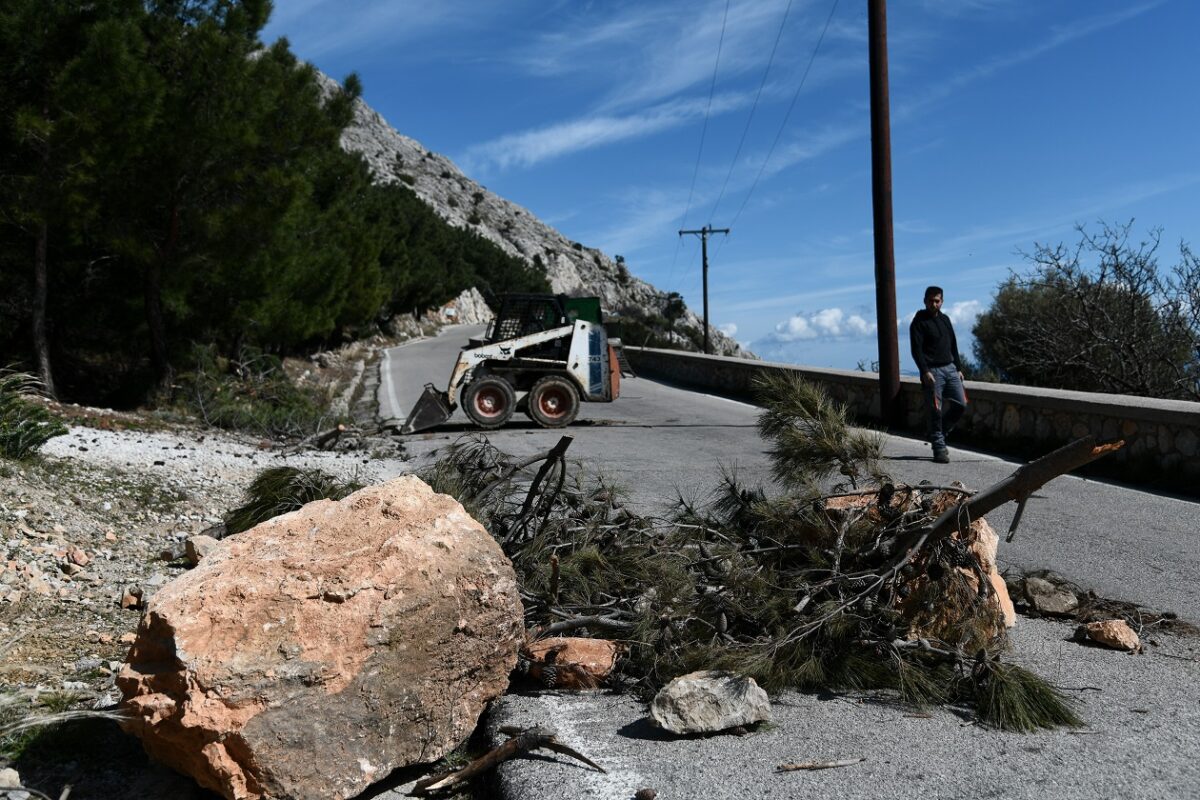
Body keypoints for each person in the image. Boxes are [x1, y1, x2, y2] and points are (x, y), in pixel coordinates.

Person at [909, 286, 966, 463]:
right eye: (931, 300)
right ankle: (939, 448)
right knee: (935, 410)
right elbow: (916, 349)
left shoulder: (945, 319)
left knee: (961, 404)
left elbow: (953, 345)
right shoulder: (919, 322)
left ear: (941, 301)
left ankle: (938, 433)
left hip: (950, 368)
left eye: (937, 300)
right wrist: (924, 370)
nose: (934, 304)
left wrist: (958, 367)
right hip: (932, 371)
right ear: (925, 300)